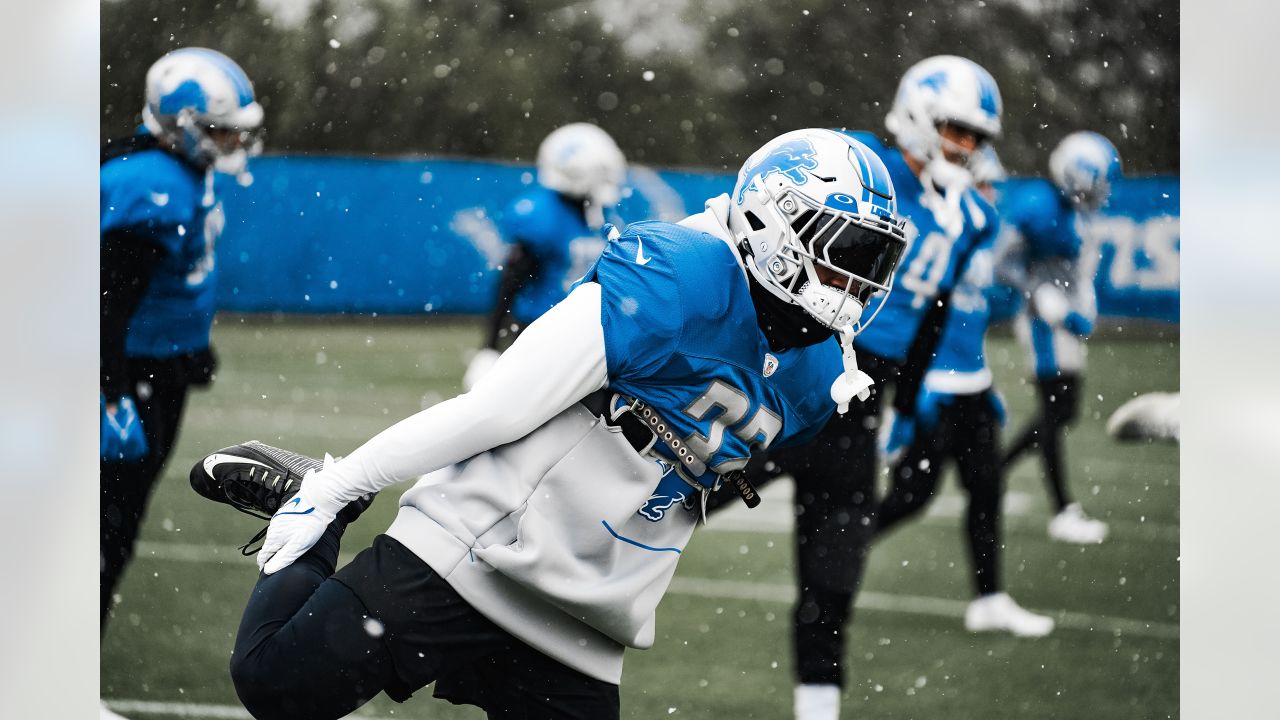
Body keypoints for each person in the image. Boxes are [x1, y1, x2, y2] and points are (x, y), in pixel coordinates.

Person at [187, 128, 909, 720]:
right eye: (842, 251)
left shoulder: (821, 373)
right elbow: (497, 409)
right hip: (473, 552)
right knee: (276, 685)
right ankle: (307, 491)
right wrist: (342, 485)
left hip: (587, 621)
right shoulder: (679, 276)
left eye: (870, 260)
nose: (857, 281)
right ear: (769, 215)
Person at [768, 56, 1004, 720]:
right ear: (916, 114)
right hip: (796, 376)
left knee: (834, 576)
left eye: (976, 137)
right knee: (668, 502)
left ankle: (817, 710)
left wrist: (904, 403)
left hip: (864, 402)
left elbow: (932, 314)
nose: (966, 148)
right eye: (956, 130)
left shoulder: (972, 217)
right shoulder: (857, 167)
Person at [100, 46, 263, 720]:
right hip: (125, 376)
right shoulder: (149, 183)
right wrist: (107, 391)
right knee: (101, 529)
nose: (234, 141)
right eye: (221, 128)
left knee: (113, 527)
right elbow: (101, 301)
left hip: (152, 371)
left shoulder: (177, 171)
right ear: (181, 123)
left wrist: (187, 352)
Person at [875, 146, 1054, 637]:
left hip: (972, 386)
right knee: (911, 497)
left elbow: (976, 315)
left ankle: (989, 599)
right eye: (984, 184)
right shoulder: (935, 235)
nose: (992, 195)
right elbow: (915, 318)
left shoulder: (980, 238)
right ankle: (841, 548)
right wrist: (911, 396)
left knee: (987, 491)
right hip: (933, 388)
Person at [998, 131, 1122, 545]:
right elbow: (1004, 262)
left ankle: (992, 472)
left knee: (1063, 410)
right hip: (1042, 321)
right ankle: (1062, 509)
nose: (1101, 192)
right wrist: (1041, 294)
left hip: (1063, 319)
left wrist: (1079, 301)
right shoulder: (1038, 203)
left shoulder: (1069, 209)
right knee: (1055, 408)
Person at [464, 122, 626, 389]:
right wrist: (490, 347)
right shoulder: (541, 215)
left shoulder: (601, 213)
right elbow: (511, 281)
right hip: (539, 332)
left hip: (589, 335)